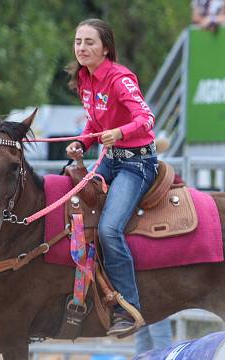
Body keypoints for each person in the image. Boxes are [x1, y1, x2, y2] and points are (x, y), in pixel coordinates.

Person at [65, 19, 157, 337]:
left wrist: (119, 132)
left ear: (106, 48)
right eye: (78, 42)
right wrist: (83, 141)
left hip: (136, 164)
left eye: (89, 42)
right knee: (69, 204)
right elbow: (94, 122)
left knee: (108, 229)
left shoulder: (120, 78)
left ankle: (129, 308)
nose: (82, 48)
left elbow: (146, 118)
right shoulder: (84, 79)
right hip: (109, 160)